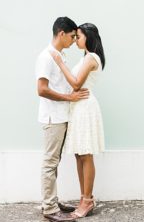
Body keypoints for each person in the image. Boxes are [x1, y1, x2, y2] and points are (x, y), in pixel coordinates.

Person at [49, 23, 105, 220]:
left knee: (86, 154)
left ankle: (87, 200)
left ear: (88, 37)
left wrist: (60, 62)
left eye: (78, 36)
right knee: (79, 155)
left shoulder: (91, 58)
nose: (75, 40)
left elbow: (76, 83)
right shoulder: (85, 57)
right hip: (78, 107)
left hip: (85, 107)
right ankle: (84, 199)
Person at [36, 17, 90, 222]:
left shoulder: (60, 55)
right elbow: (41, 89)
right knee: (50, 162)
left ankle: (51, 200)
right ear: (61, 34)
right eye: (71, 36)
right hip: (53, 117)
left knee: (54, 161)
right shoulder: (47, 57)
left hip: (61, 116)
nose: (73, 40)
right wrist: (70, 97)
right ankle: (49, 208)